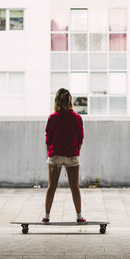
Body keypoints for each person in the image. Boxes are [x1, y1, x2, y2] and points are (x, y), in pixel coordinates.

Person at [43, 88, 86, 223]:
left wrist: (50, 155)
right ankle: (79, 217)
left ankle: (46, 217)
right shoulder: (77, 118)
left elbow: (48, 139)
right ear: (70, 101)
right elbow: (80, 139)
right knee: (75, 187)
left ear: (56, 101)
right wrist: (75, 152)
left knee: (52, 186)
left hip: (55, 155)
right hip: (72, 155)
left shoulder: (52, 118)